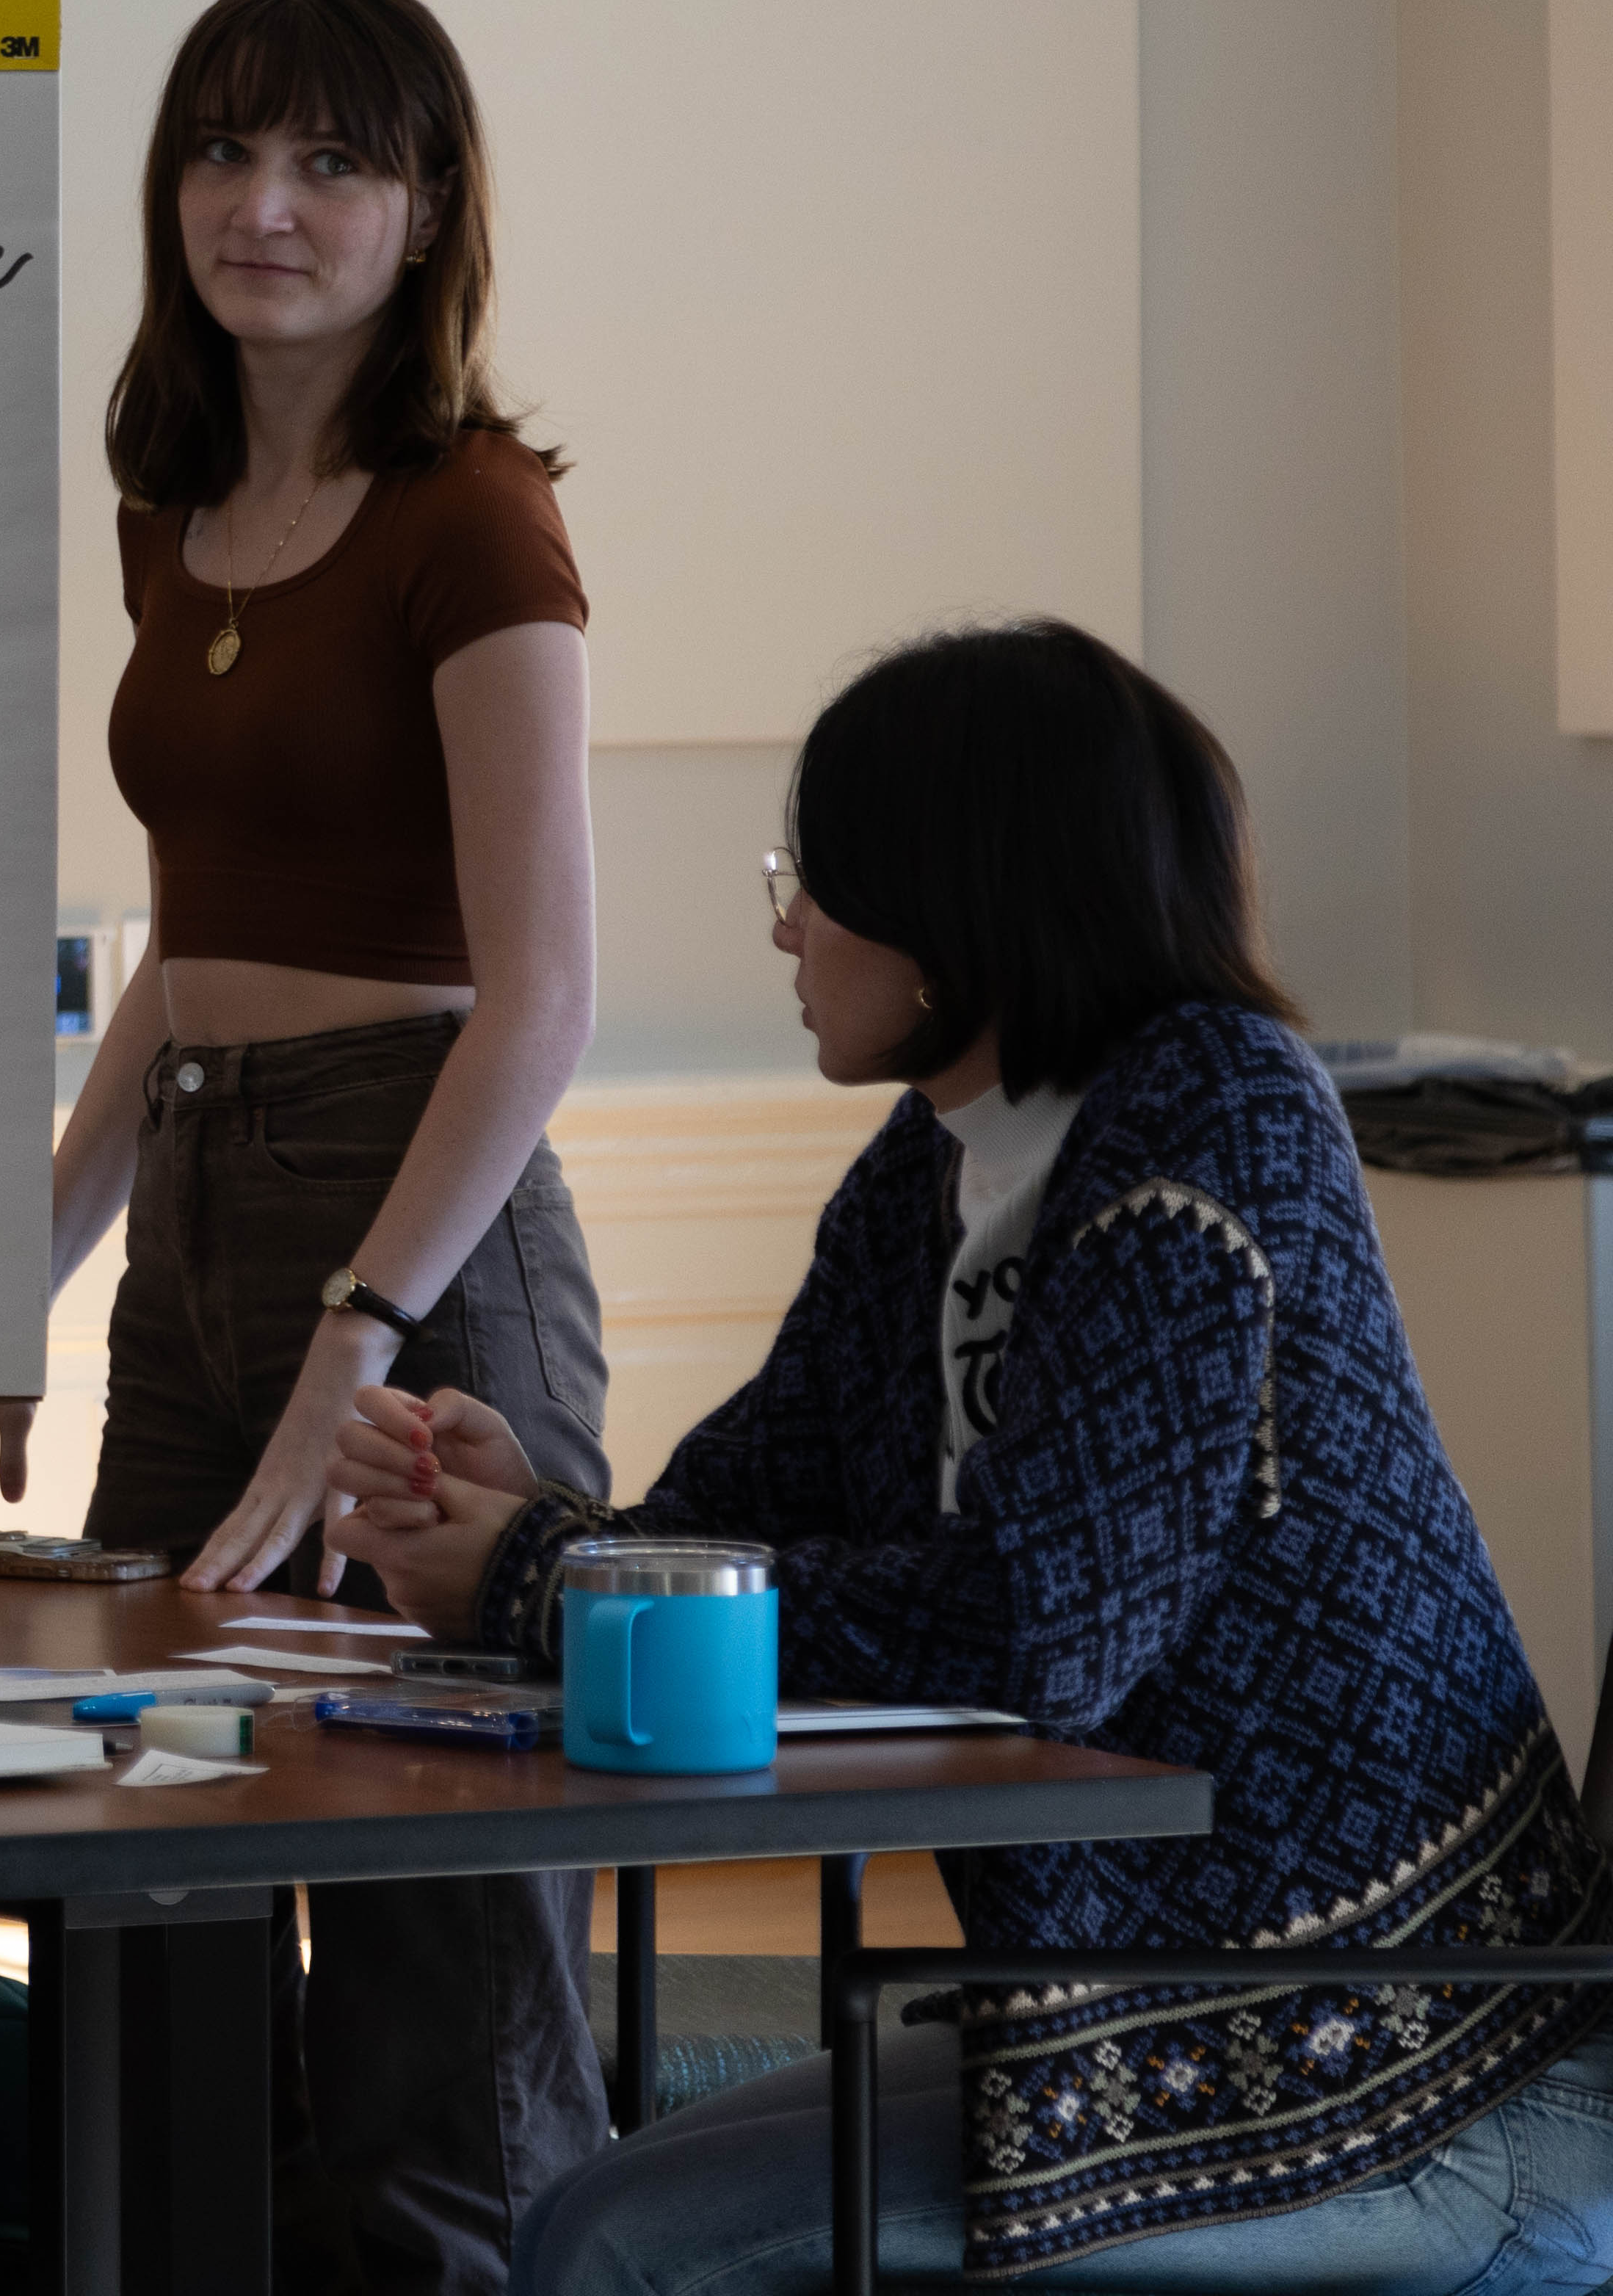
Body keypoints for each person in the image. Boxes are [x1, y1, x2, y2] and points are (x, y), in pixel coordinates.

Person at [330, 620, 1613, 2293]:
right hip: (1152, 2025)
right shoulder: (928, 1166)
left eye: (815, 874)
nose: (785, 921)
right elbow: (738, 1509)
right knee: (582, 2214)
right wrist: (542, 1514)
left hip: (1407, 2063)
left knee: (617, 2247)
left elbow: (1035, 1632)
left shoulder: (1213, 1116)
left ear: (952, 902)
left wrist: (537, 1566)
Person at [0, 0, 610, 2289]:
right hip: (206, 1192)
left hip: (418, 1205)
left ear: (424, 211)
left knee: (432, 1906)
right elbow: (184, 965)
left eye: (327, 159)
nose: (258, 203)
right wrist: (39, 1256)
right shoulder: (168, 506)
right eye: (219, 147)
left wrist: (362, 1333)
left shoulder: (476, 518)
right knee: (142, 1833)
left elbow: (545, 993)